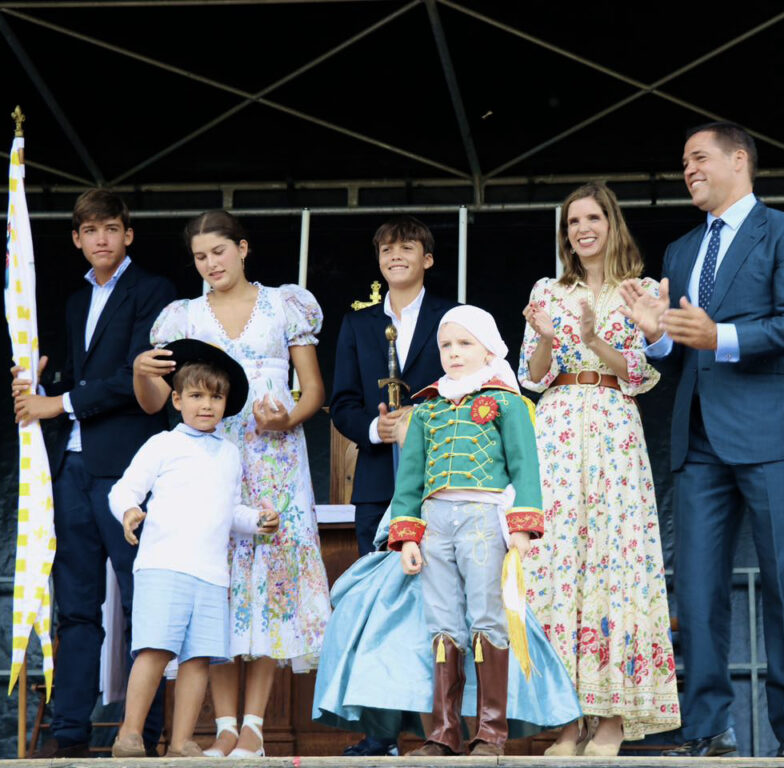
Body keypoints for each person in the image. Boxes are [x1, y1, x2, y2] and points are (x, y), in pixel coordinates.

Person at [620, 122, 784, 757]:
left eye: (699, 157)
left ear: (740, 160)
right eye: (683, 161)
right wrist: (656, 334)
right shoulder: (682, 250)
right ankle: (708, 726)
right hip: (700, 436)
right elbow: (679, 348)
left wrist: (723, 337)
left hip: (777, 434)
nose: (688, 169)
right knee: (697, 589)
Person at [312, 306, 581, 751]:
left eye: (464, 343)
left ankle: (490, 733)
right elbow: (410, 480)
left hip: (483, 520)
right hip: (436, 523)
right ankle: (444, 733)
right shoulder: (428, 409)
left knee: (488, 618)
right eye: (446, 345)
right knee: (442, 622)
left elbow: (525, 468)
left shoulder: (507, 403)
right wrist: (407, 537)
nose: (454, 353)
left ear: (488, 348)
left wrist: (521, 527)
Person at [131, 210, 330, 758]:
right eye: (199, 257)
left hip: (275, 462)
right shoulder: (181, 317)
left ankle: (254, 726)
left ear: (242, 248)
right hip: (210, 465)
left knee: (268, 587)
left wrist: (285, 420)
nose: (210, 264)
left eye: (218, 251)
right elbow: (155, 404)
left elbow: (313, 389)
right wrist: (142, 374)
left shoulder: (285, 305)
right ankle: (221, 724)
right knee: (218, 585)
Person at [11, 189, 174, 758]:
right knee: (76, 609)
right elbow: (71, 378)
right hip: (72, 469)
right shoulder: (76, 299)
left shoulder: (154, 291)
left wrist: (58, 403)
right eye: (90, 231)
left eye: (110, 228)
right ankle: (69, 734)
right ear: (77, 240)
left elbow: (138, 377)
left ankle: (142, 734)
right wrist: (38, 383)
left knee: (140, 602)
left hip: (128, 469)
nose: (101, 239)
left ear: (128, 234)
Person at [519, 181, 680, 756]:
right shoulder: (547, 290)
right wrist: (547, 338)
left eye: (592, 219)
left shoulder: (638, 290)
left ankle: (612, 718)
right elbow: (532, 375)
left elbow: (640, 372)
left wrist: (593, 338)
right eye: (572, 222)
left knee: (616, 562)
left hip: (613, 424)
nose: (582, 230)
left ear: (612, 224)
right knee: (557, 565)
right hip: (558, 427)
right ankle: (567, 720)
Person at [108, 341, 280, 757]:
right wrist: (129, 512)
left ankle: (182, 740)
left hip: (211, 574)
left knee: (199, 657)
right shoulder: (163, 444)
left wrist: (257, 520)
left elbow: (230, 511)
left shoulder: (230, 454)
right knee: (155, 649)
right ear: (177, 399)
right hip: (164, 566)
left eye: (216, 398)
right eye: (197, 396)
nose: (206, 405)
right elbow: (123, 489)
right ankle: (129, 733)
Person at [329, 215, 457, 757]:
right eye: (386, 249)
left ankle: (442, 730)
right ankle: (382, 733)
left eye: (406, 247)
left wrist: (422, 422)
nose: (395, 256)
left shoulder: (452, 316)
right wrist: (373, 429)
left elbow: (473, 387)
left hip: (442, 480)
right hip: (379, 480)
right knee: (380, 605)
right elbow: (342, 402)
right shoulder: (358, 324)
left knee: (441, 604)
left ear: (427, 259)